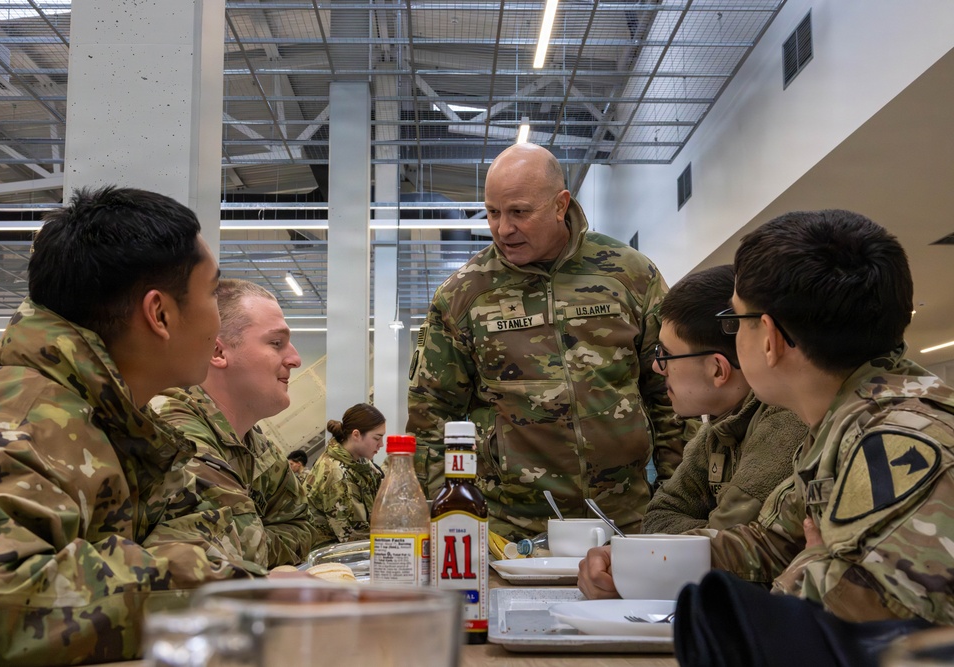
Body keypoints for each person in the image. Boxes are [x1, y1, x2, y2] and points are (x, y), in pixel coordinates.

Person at [580, 209, 954, 627]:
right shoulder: (846, 421)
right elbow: (769, 544)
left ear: (770, 339)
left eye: (734, 321)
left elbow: (902, 624)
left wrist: (810, 565)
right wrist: (638, 562)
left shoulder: (896, 441)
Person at [0, 186, 258, 665]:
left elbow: (207, 528)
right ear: (160, 314)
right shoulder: (23, 422)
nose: (217, 326)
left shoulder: (117, 423)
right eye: (212, 294)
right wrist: (228, 593)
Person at [407, 142, 690, 538]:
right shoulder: (463, 295)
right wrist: (446, 517)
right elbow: (431, 416)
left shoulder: (629, 274)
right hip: (510, 527)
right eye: (493, 212)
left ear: (560, 205)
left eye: (519, 212)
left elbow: (671, 390)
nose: (503, 228)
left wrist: (677, 501)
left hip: (626, 519)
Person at [151, 279, 314, 568]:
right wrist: (255, 545)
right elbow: (219, 558)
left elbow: (304, 527)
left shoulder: (254, 443)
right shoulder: (176, 430)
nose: (295, 359)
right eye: (276, 343)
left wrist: (254, 543)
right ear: (218, 353)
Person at [642, 264, 805, 534]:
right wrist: (708, 530)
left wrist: (706, 531)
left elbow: (729, 536)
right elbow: (658, 517)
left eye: (666, 354)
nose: (657, 367)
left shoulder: (787, 421)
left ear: (718, 370)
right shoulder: (721, 427)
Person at [305, 403, 386, 547]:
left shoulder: (361, 463)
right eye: (377, 438)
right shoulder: (336, 473)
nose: (381, 444)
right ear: (356, 435)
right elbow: (352, 539)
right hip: (328, 549)